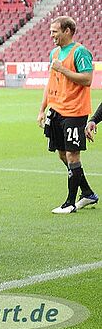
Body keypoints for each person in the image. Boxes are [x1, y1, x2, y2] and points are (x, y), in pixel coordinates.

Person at [38, 17, 98, 213]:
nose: (51, 35)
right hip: (57, 110)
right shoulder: (54, 53)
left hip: (75, 111)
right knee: (63, 154)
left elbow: (87, 79)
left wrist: (62, 69)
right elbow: (51, 82)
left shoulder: (80, 52)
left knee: (73, 155)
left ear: (67, 31)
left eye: (55, 31)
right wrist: (42, 109)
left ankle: (70, 203)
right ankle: (87, 193)